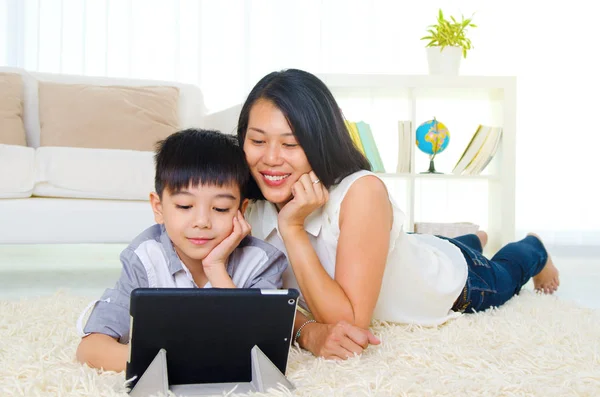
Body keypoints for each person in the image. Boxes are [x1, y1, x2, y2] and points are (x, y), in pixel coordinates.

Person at [238, 69, 561, 360]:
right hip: (410, 248)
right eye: (257, 141)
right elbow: (253, 295)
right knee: (420, 244)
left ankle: (534, 248)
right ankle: (470, 238)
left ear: (320, 141)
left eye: (290, 144)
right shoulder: (247, 204)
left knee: (506, 272)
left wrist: (292, 228)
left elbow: (347, 323)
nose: (270, 158)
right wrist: (305, 329)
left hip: (458, 280)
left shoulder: (362, 192)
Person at [76, 129, 288, 371]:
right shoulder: (145, 258)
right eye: (185, 206)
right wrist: (178, 361)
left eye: (220, 208)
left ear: (241, 209)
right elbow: (91, 348)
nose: (202, 222)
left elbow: (258, 351)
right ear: (158, 207)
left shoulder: (262, 261)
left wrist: (216, 267)